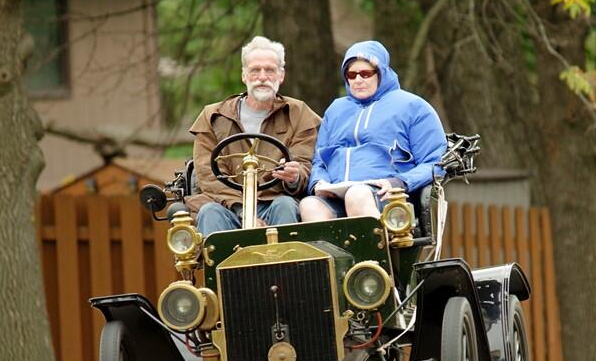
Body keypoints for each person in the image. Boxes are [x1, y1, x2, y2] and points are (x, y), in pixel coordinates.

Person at [185, 36, 321, 235]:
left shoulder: (298, 113)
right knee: (209, 212)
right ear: (244, 76)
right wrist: (243, 213)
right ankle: (222, 266)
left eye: (270, 70)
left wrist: (293, 176)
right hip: (227, 206)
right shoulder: (213, 116)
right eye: (255, 70)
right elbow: (209, 176)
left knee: (285, 205)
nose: (262, 77)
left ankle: (287, 266)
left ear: (281, 76)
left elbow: (303, 164)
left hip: (274, 203)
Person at [300, 40, 447, 222]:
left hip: (390, 196)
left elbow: (436, 163)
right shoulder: (335, 110)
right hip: (337, 195)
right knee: (309, 205)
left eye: (366, 73)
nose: (358, 80)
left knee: (357, 195)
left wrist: (398, 182)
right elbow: (320, 162)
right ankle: (333, 252)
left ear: (381, 73)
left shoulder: (413, 107)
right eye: (352, 75)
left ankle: (379, 250)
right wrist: (318, 183)